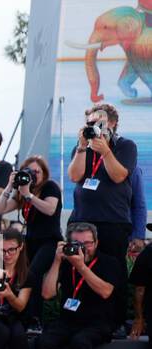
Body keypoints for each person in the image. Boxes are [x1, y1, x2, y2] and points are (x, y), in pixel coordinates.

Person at [37, 222, 125, 349]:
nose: (83, 248)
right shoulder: (66, 262)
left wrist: (82, 267)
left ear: (97, 242)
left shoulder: (109, 263)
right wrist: (57, 261)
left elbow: (105, 291)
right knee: (44, 342)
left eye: (88, 243)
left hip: (99, 321)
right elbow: (47, 293)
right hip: (69, 320)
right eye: (77, 243)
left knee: (80, 342)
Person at [67, 103, 138, 259]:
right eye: (89, 123)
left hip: (112, 222)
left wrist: (105, 151)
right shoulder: (82, 147)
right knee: (76, 267)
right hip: (81, 220)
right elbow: (74, 177)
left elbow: (118, 176)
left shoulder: (125, 146)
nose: (93, 127)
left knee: (112, 270)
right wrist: (81, 147)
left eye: (98, 123)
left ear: (112, 123)